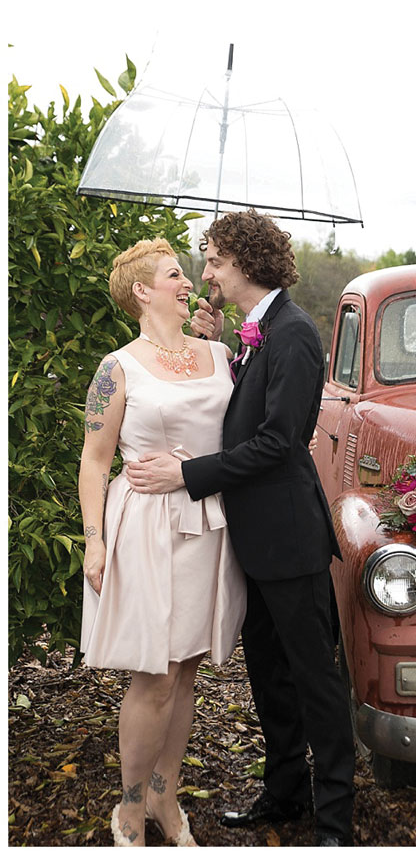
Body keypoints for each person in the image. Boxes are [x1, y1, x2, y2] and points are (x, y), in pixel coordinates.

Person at [126, 210, 355, 846]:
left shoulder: (294, 334)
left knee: (315, 680)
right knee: (270, 676)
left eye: (214, 262)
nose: (205, 275)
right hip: (249, 539)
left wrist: (187, 474)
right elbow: (240, 414)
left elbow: (279, 442)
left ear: (246, 265)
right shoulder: (258, 333)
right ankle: (285, 793)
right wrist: (222, 347)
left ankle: (335, 819)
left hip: (290, 538)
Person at [79, 238, 246, 847]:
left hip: (208, 523)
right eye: (175, 274)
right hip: (146, 527)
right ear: (142, 291)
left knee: (187, 667)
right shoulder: (117, 367)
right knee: (155, 673)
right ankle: (128, 806)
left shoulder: (219, 352)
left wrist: (224, 335)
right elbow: (94, 462)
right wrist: (94, 541)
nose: (189, 282)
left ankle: (164, 795)